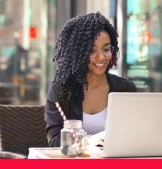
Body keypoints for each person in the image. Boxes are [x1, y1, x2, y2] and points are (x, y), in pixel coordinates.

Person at [45, 12, 137, 147]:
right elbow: (55, 141)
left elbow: (134, 135)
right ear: (78, 53)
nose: (101, 57)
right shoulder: (60, 90)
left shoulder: (125, 89)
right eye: (92, 51)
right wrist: (89, 140)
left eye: (106, 49)